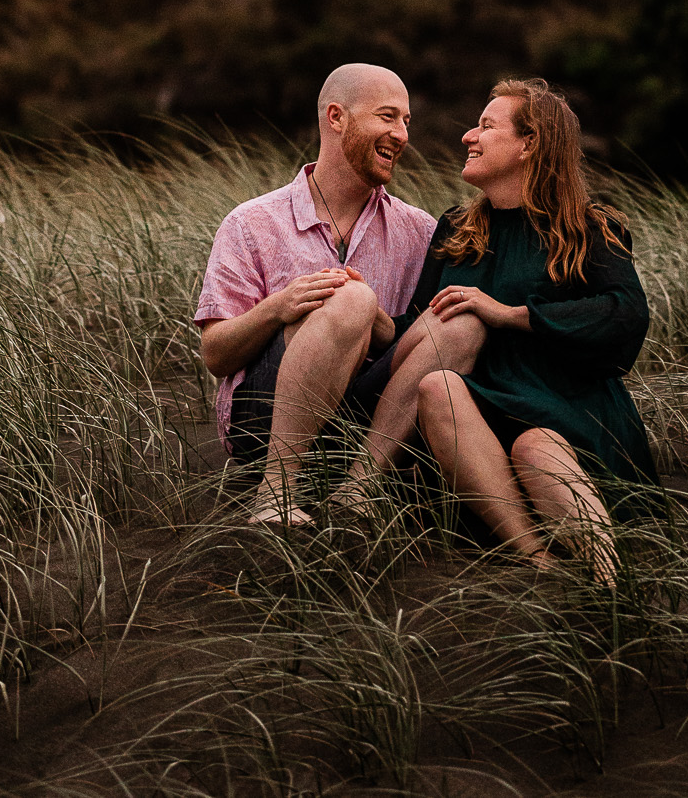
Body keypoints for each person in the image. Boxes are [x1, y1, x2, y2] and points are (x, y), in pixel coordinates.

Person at [338, 78, 654, 581]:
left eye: (486, 125)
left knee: (536, 446)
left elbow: (625, 316)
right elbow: (422, 326)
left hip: (566, 410)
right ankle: (535, 558)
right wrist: (369, 316)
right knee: (437, 386)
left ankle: (612, 588)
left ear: (530, 144)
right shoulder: (457, 228)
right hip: (479, 424)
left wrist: (510, 314)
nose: (468, 135)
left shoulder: (591, 228)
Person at [195, 62, 435, 525]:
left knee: (442, 320)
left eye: (407, 122)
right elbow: (215, 356)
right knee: (352, 298)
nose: (402, 135)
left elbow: (421, 348)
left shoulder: (420, 232)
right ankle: (276, 494)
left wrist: (381, 327)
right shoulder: (252, 222)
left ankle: (359, 488)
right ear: (336, 117)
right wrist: (278, 309)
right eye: (388, 117)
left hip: (366, 428)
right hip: (262, 425)